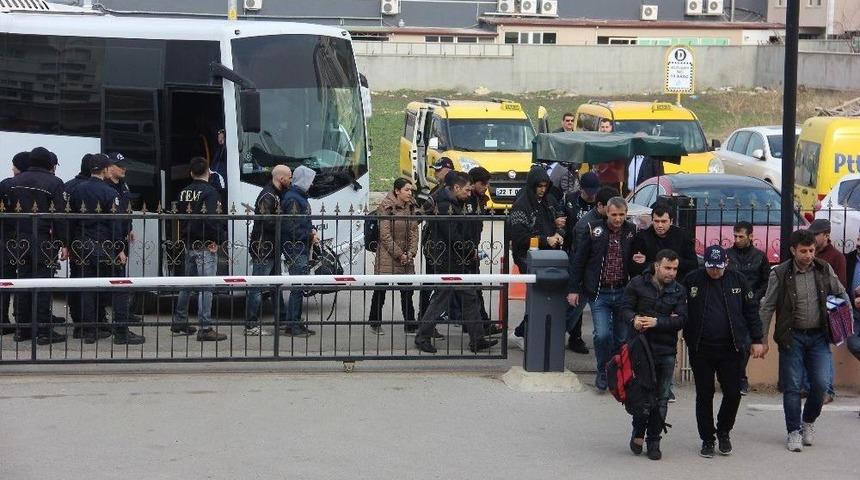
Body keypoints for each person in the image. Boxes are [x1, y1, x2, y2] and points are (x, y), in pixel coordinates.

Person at [758, 229, 848, 452]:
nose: (808, 255)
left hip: (819, 336)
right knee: (793, 387)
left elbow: (840, 292)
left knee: (820, 385)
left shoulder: (823, 268)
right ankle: (793, 431)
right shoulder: (779, 273)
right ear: (793, 250)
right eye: (803, 251)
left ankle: (808, 422)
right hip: (792, 337)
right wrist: (762, 340)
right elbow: (767, 306)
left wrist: (844, 319)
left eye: (811, 250)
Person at [683, 245, 766, 458]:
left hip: (731, 347)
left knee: (732, 393)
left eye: (718, 268)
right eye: (711, 267)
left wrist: (757, 339)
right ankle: (707, 439)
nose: (714, 271)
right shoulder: (693, 279)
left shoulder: (737, 280)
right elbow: (677, 304)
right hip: (701, 348)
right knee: (704, 394)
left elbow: (751, 310)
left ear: (726, 263)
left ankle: (724, 431)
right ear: (706, 264)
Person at [414, 171, 497, 354]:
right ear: (456, 188)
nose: (469, 194)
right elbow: (454, 236)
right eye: (467, 190)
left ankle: (477, 339)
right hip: (446, 258)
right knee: (441, 298)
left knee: (469, 296)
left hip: (457, 257)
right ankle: (422, 336)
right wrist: (470, 250)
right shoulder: (444, 205)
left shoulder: (455, 201)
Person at [620, 249, 687, 461]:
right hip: (640, 349)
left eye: (675, 269)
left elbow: (682, 319)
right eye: (668, 268)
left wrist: (658, 322)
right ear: (657, 265)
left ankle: (654, 439)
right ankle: (638, 432)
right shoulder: (637, 284)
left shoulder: (678, 290)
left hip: (666, 350)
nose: (671, 273)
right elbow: (625, 309)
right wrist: (634, 320)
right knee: (641, 395)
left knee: (662, 398)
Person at [70, 154, 143, 344]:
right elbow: (115, 224)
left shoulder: (77, 189)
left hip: (81, 244)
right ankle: (121, 332)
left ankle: (89, 331)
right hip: (103, 245)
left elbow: (70, 218)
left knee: (87, 288)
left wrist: (69, 243)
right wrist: (120, 248)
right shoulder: (110, 192)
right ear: (104, 170)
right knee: (119, 287)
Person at [568, 196, 636, 391]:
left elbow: (637, 256)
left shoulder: (632, 231)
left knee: (622, 337)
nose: (618, 219)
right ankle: (603, 370)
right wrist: (574, 289)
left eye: (622, 215)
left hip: (623, 291)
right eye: (614, 214)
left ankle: (615, 371)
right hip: (600, 293)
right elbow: (578, 260)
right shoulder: (593, 230)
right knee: (602, 335)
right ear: (607, 212)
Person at [4, 147, 67, 344]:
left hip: (18, 240)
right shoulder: (55, 183)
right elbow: (60, 216)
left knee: (22, 283)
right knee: (42, 284)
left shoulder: (14, 182)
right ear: (48, 163)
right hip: (43, 240)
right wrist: (64, 242)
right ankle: (42, 331)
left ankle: (22, 329)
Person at [171, 157, 227, 342]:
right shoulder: (211, 192)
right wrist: (218, 239)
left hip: (188, 243)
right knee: (206, 287)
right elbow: (212, 219)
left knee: (186, 285)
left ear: (191, 172)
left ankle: (179, 320)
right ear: (209, 173)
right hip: (205, 244)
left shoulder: (184, 192)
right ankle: (205, 327)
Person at [510, 165, 564, 339]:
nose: (542, 190)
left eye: (544, 186)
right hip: (527, 256)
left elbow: (561, 221)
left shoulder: (550, 201)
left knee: (547, 294)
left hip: (549, 254)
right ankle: (527, 329)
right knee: (538, 293)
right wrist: (544, 240)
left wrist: (559, 233)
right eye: (539, 186)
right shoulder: (521, 205)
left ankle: (528, 328)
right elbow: (519, 236)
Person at [245, 165, 292, 336]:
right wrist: (284, 221)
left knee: (275, 285)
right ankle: (251, 324)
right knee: (257, 286)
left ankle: (282, 319)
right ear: (281, 178)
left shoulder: (276, 194)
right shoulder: (268, 195)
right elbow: (265, 220)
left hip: (271, 247)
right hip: (263, 248)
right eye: (289, 177)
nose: (290, 180)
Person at [368, 178, 419, 335]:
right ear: (397, 191)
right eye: (407, 190)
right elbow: (385, 235)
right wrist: (399, 254)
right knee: (381, 290)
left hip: (406, 255)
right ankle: (375, 322)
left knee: (407, 291)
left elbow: (414, 232)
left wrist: (411, 252)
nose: (410, 193)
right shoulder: (386, 207)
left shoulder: (411, 206)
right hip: (388, 255)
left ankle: (409, 324)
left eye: (411, 190)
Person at [558, 171, 601, 353]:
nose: (590, 195)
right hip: (571, 254)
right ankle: (559, 333)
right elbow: (561, 221)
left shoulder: (601, 204)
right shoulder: (570, 199)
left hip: (591, 256)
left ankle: (575, 337)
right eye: (587, 191)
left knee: (581, 299)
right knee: (572, 298)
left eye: (594, 191)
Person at [726, 221, 771, 395]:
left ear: (751, 236)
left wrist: (754, 296)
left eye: (741, 236)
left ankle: (740, 378)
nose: (737, 240)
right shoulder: (728, 255)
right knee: (730, 344)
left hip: (750, 306)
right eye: (735, 236)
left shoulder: (760, 256)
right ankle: (736, 377)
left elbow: (767, 280)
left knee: (745, 344)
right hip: (730, 303)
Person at [281, 165, 318, 338]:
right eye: (309, 180)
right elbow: (292, 226)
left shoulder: (298, 196)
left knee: (300, 285)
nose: (311, 184)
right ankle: (292, 325)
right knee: (298, 286)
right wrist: (310, 235)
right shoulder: (294, 199)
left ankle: (294, 322)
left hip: (299, 246)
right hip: (296, 247)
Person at [0, 151, 31, 335]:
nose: (12, 168)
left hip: (5, 238)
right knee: (22, 281)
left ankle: (2, 320)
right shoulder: (32, 185)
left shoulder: (5, 184)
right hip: (26, 238)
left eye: (15, 165)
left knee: (5, 281)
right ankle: (22, 321)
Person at [629, 203, 698, 279]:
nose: (660, 225)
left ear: (671, 221)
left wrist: (671, 262)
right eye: (656, 221)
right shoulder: (642, 237)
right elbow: (634, 267)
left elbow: (693, 264)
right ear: (652, 221)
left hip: (676, 283)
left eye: (664, 221)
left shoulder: (682, 236)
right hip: (650, 284)